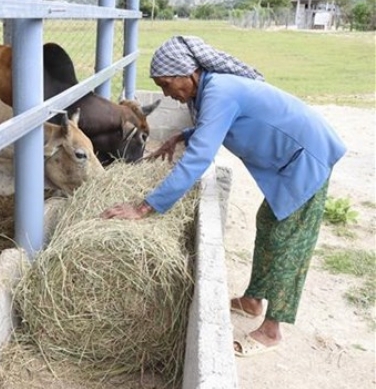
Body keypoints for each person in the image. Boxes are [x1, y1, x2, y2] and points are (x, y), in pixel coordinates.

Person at [100, 35, 346, 357]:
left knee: (289, 240)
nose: (167, 94)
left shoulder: (219, 91)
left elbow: (199, 157)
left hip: (308, 157)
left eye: (166, 84)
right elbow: (218, 125)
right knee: (269, 224)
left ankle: (272, 330)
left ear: (188, 74)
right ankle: (253, 300)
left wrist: (145, 207)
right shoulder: (211, 90)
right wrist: (182, 134)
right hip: (291, 159)